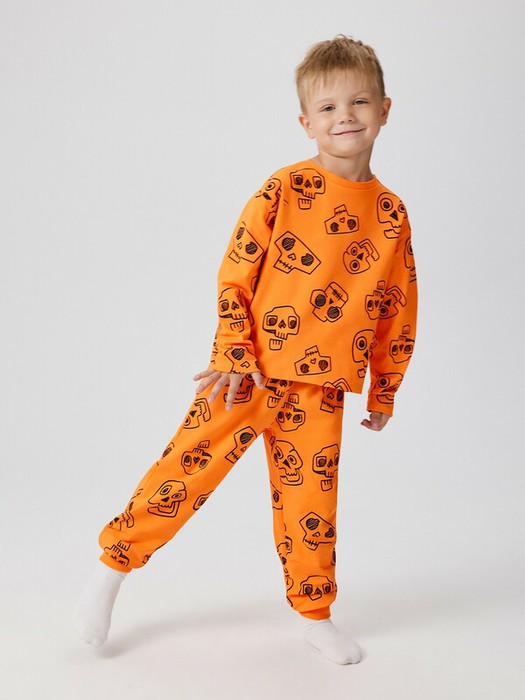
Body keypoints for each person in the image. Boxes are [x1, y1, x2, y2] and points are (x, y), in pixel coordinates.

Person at [73, 34, 418, 666]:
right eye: (328, 107)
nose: (345, 116)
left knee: (311, 506)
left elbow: (398, 307)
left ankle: (314, 614)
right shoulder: (285, 188)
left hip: (322, 388)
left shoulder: (391, 214)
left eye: (359, 102)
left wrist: (385, 387)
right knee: (185, 472)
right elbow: (236, 273)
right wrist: (234, 350)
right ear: (306, 123)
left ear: (385, 110)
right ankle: (111, 569)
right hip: (247, 374)